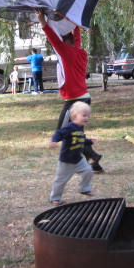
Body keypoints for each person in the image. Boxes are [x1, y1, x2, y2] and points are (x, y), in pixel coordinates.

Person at [36, 10, 104, 173]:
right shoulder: (80, 52)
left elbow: (53, 39)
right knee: (75, 132)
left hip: (75, 101)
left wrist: (42, 21)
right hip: (84, 97)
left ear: (66, 42)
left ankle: (89, 157)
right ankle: (94, 161)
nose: (60, 42)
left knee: (64, 130)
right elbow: (76, 40)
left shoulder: (65, 53)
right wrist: (75, 23)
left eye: (63, 40)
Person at [48, 101, 97, 205]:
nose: (86, 118)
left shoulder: (80, 128)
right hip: (66, 161)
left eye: (88, 116)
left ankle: (84, 189)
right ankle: (55, 198)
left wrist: (89, 141)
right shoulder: (69, 127)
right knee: (61, 180)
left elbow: (81, 140)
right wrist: (54, 141)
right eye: (84, 115)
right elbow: (59, 133)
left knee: (88, 171)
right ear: (75, 116)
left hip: (78, 159)